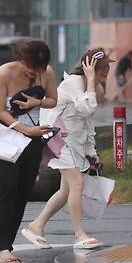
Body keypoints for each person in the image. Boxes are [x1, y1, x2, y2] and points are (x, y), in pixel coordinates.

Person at [22, 49, 113, 251]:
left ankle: (36, 226)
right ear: (88, 68)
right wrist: (90, 80)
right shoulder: (74, 83)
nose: (106, 70)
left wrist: (91, 150)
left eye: (107, 66)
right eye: (101, 67)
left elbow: (88, 121)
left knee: (66, 190)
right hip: (57, 137)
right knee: (77, 183)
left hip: (73, 141)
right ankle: (79, 235)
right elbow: (86, 109)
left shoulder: (95, 89)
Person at [0, 39, 58, 263]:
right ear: (22, 59)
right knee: (6, 188)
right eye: (32, 67)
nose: (35, 72)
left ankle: (3, 245)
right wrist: (23, 128)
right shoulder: (3, 73)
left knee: (23, 191)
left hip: (33, 138)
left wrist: (38, 102)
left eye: (40, 68)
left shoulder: (47, 73)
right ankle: (3, 250)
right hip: (5, 138)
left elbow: (53, 100)